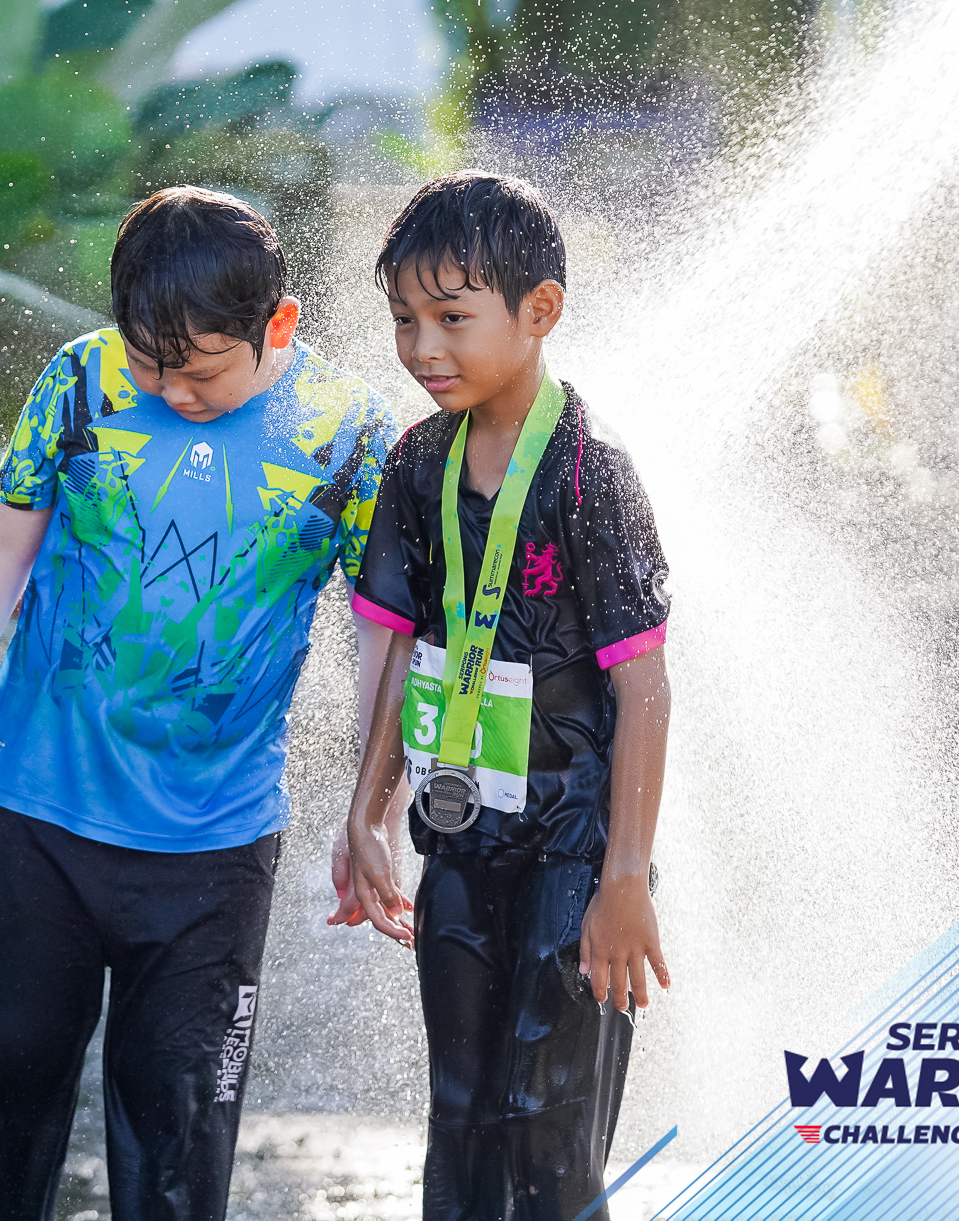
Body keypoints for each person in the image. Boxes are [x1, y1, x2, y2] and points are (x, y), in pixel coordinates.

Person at [0, 186, 398, 1220]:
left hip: (216, 845)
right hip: (38, 812)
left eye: (201, 370)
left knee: (179, 1146)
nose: (171, 390)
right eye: (150, 364)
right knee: (4, 1122)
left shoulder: (348, 433)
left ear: (279, 325)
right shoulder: (82, 380)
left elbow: (380, 636)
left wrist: (373, 807)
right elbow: (2, 542)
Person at [341, 171, 674, 1220]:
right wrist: (367, 812)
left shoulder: (589, 475)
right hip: (462, 837)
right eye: (404, 320)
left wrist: (625, 878)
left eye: (452, 317)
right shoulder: (417, 463)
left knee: (549, 1133)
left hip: (576, 852)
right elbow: (405, 652)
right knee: (460, 1121)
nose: (422, 347)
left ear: (540, 311)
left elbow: (646, 690)